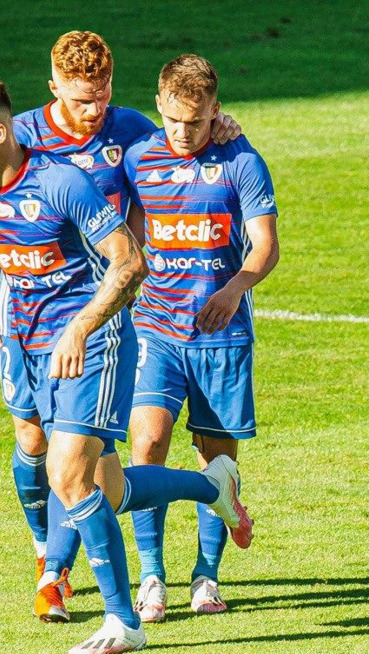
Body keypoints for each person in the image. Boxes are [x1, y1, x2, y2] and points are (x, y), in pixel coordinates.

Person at [0, 74, 252, 654]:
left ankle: (121, 620)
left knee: (67, 474)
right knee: (108, 489)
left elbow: (129, 263)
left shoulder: (62, 183)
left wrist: (81, 327)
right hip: (30, 343)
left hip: (93, 343)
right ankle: (212, 486)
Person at [123, 54, 279, 622]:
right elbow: (127, 230)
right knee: (147, 445)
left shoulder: (242, 161)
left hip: (221, 335)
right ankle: (151, 577)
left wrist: (235, 289)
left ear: (216, 109)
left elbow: (266, 247)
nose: (183, 133)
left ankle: (206, 576)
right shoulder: (138, 158)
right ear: (159, 105)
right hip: (155, 326)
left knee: (218, 463)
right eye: (173, 120)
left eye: (196, 121)